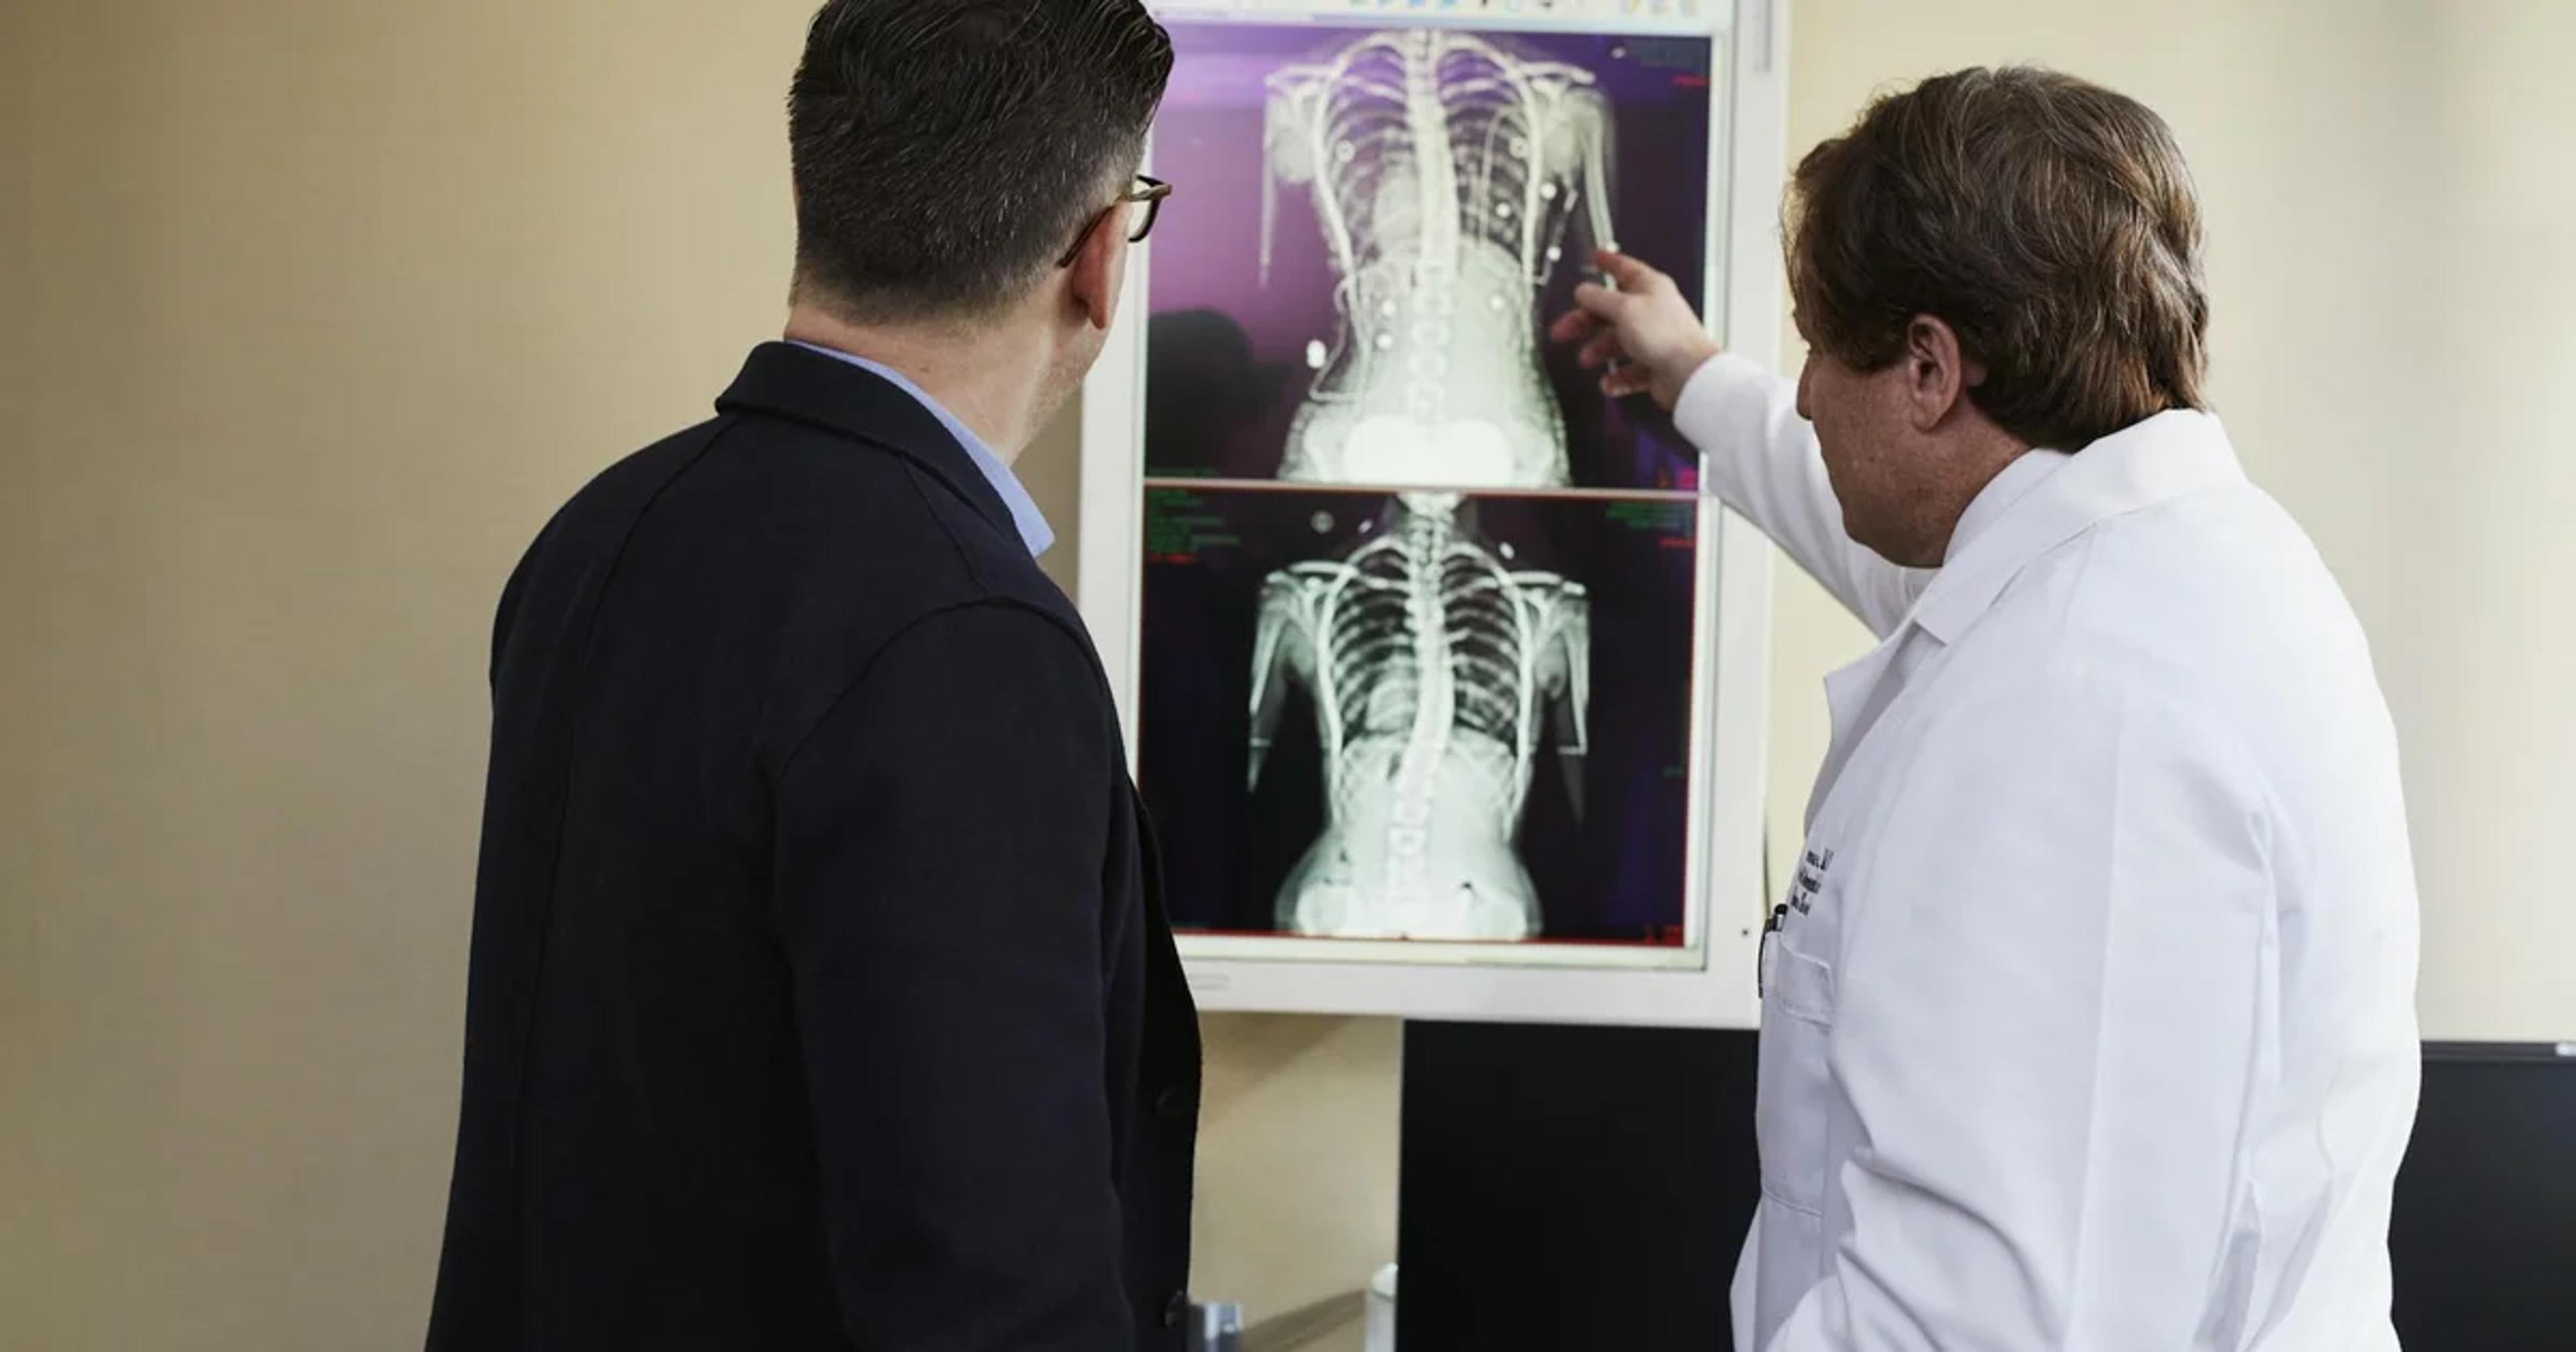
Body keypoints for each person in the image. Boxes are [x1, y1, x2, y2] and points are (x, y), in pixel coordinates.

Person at [1554, 66, 2419, 1350]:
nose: (1799, 392)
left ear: (1927, 368)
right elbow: (1901, 552)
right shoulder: (2163, 558)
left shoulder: (2082, 708)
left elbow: (1986, 1320)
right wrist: (1693, 381)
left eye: (1812, 346)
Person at [425, 3, 1197, 1349]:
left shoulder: (604, 534)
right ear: (1095, 261)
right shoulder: (963, 635)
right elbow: (990, 1283)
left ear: (824, 196)